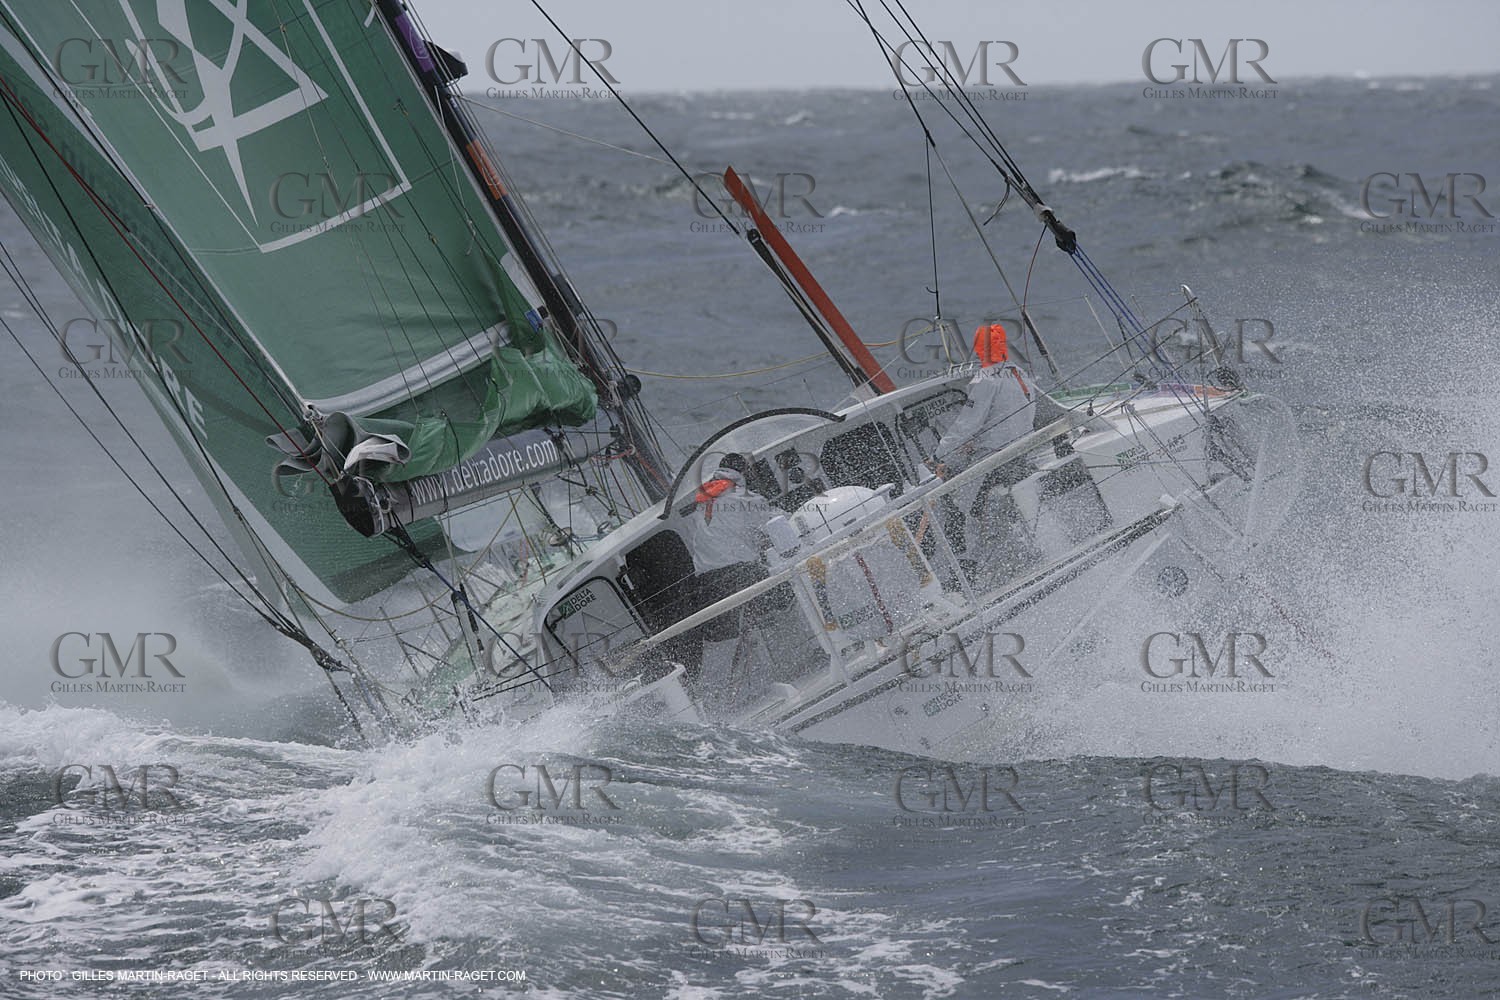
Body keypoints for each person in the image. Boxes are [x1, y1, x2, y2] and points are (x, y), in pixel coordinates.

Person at [928, 324, 1040, 583]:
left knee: (956, 504)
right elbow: (1009, 416)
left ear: (980, 348)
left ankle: (965, 572)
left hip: (994, 460)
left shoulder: (985, 379)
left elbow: (967, 423)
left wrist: (939, 455)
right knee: (978, 504)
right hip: (1022, 452)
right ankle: (1004, 550)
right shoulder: (1018, 373)